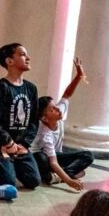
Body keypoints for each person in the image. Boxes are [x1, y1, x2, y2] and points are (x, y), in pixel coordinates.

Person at [0, 43, 42, 189]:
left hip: (20, 145)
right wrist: (9, 143)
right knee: (8, 182)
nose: (28, 58)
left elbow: (34, 121)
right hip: (1, 146)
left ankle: (12, 165)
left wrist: (24, 144)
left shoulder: (31, 88)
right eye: (22, 54)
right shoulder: (1, 87)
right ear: (9, 61)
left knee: (33, 181)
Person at [31, 58, 93, 191]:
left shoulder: (57, 116)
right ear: (45, 118)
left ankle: (57, 176)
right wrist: (70, 181)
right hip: (44, 159)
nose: (58, 108)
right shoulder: (45, 134)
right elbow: (52, 162)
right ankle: (64, 174)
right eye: (52, 109)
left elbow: (67, 94)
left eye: (55, 106)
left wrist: (78, 76)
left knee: (87, 155)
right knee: (41, 158)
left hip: (56, 156)